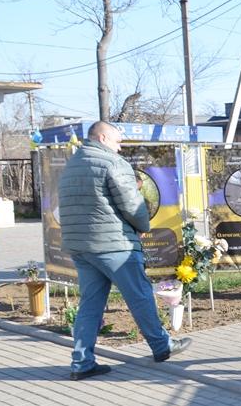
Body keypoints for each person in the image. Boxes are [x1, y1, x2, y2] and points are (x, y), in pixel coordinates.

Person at [58, 121, 191, 381]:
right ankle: (162, 346)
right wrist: (143, 225)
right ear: (104, 137)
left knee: (90, 304)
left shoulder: (72, 164)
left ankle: (81, 362)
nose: (120, 148)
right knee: (140, 294)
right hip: (113, 245)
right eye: (119, 142)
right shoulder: (112, 163)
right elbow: (132, 205)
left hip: (81, 247)